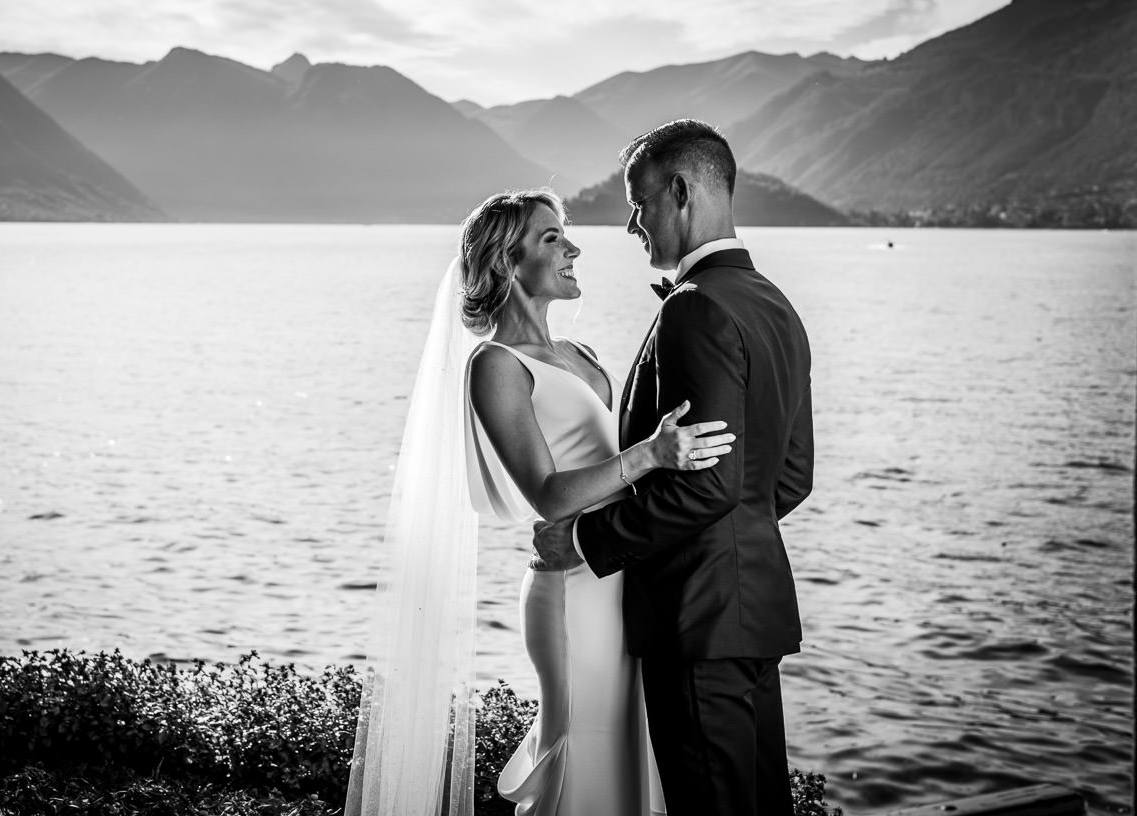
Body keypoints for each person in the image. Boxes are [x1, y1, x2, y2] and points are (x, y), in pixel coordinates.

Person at [344, 188, 734, 816]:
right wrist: (651, 455)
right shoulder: (495, 366)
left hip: (626, 581)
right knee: (585, 762)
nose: (574, 248)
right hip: (573, 592)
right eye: (553, 238)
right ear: (506, 261)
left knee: (631, 764)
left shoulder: (582, 357)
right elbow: (549, 495)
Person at [534, 119, 815, 816]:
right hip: (754, 614)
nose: (632, 223)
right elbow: (790, 476)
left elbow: (710, 487)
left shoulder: (696, 311)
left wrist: (584, 540)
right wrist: (733, 537)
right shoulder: (775, 305)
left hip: (695, 620)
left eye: (640, 201)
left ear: (681, 192)